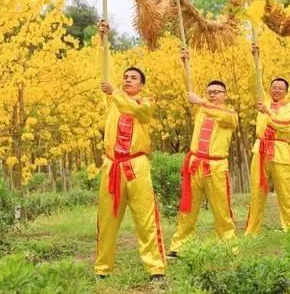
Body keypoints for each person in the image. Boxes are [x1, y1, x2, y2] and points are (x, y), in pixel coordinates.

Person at [94, 21, 165, 281]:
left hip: (137, 166)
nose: (126, 80)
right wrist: (103, 41)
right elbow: (104, 72)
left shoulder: (145, 104)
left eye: (133, 78)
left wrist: (115, 93)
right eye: (125, 77)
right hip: (112, 165)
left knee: (145, 217)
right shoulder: (113, 101)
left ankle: (155, 267)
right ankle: (102, 269)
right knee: (107, 217)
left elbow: (135, 111)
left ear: (142, 85)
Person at [168, 50, 238, 256]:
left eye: (217, 91)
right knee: (188, 208)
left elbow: (217, 112)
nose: (212, 94)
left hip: (215, 167)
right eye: (210, 91)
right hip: (195, 164)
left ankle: (228, 246)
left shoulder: (230, 114)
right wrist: (185, 63)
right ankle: (180, 246)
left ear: (225, 95)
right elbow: (190, 91)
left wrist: (201, 102)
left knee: (221, 209)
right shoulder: (201, 110)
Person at [245, 45, 290, 235]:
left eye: (281, 88)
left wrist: (267, 113)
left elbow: (284, 124)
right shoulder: (264, 101)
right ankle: (251, 231)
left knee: (285, 193)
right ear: (269, 90)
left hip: (280, 151)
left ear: (286, 92)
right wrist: (256, 58)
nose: (276, 90)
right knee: (257, 192)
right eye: (274, 87)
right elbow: (256, 81)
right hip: (259, 150)